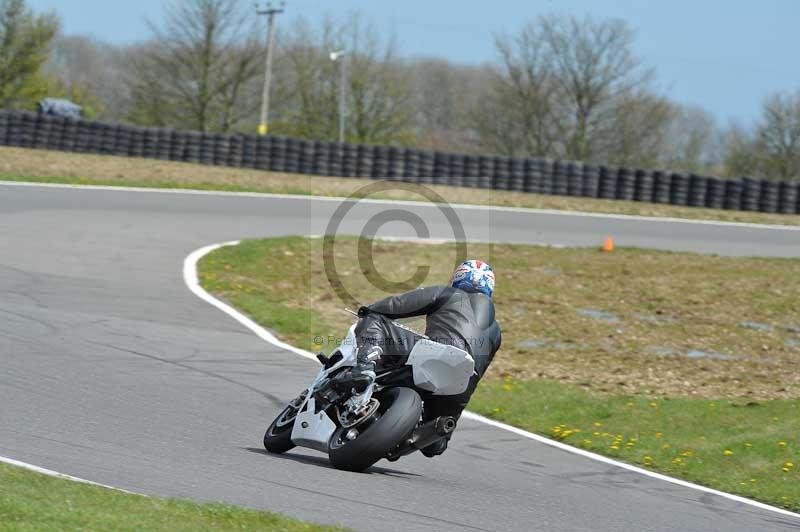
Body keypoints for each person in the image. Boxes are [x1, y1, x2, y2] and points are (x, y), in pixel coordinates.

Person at [340, 259, 501, 457]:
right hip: (463, 380)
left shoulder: (447, 293)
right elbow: (480, 370)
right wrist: (455, 410)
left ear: (458, 278)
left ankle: (364, 366)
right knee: (435, 445)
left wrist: (368, 310)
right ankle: (422, 435)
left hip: (437, 353)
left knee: (375, 319)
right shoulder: (496, 330)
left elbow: (396, 305)